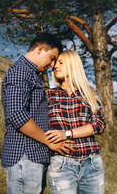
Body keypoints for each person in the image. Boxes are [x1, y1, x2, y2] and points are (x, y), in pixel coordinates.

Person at [1, 33, 74, 194]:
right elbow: (16, 114)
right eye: (52, 57)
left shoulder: (32, 74)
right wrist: (49, 141)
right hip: (25, 156)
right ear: (40, 49)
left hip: (32, 156)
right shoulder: (21, 71)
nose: (53, 64)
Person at [45, 50, 106, 194]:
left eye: (61, 63)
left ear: (73, 64)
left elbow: (99, 125)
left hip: (92, 163)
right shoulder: (48, 95)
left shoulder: (90, 93)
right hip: (61, 164)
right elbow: (41, 126)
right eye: (55, 64)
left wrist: (66, 134)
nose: (55, 67)